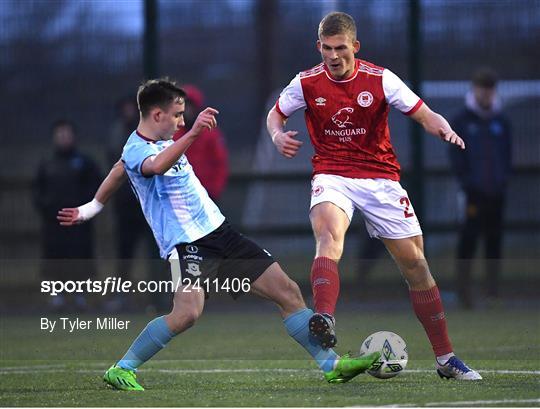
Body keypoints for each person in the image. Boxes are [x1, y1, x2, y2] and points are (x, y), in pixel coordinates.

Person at [57, 78, 379, 390]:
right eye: (178, 115)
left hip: (220, 231)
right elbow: (153, 167)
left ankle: (333, 366)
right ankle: (122, 369)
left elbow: (117, 170)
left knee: (288, 291)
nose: (183, 121)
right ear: (157, 115)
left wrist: (91, 208)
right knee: (186, 314)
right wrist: (194, 133)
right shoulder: (138, 148)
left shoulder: (158, 142)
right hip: (188, 244)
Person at [266, 11, 481, 380]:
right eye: (327, 49)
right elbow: (276, 114)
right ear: (319, 47)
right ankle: (325, 317)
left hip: (380, 179)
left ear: (355, 46)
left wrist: (444, 129)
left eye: (341, 49)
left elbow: (424, 114)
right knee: (327, 235)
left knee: (416, 266)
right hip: (332, 173)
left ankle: (446, 359)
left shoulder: (380, 79)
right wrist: (276, 135)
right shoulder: (306, 83)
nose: (333, 56)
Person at [449, 68, 512, 309]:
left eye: (490, 89)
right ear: (474, 89)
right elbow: (456, 156)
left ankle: (492, 292)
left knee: (494, 241)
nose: (486, 94)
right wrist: (466, 182)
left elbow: (506, 155)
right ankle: (463, 291)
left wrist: (503, 180)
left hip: (496, 193)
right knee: (468, 239)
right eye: (482, 88)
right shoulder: (462, 121)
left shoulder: (501, 122)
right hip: (471, 194)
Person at [33, 119, 101, 311]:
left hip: (79, 223)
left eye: (67, 133)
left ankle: (80, 297)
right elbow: (37, 190)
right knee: (55, 258)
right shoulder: (47, 163)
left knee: (79, 257)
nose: (63, 137)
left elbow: (96, 188)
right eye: (60, 133)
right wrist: (47, 207)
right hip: (53, 223)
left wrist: (84, 210)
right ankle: (57, 297)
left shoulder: (85, 162)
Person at [107, 96, 163, 312]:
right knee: (125, 252)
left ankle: (159, 296)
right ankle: (122, 296)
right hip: (125, 205)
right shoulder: (117, 134)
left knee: (157, 250)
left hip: (149, 202)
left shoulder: (150, 133)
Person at [173, 84, 229, 203]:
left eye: (189, 106)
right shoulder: (173, 133)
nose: (187, 110)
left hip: (206, 193)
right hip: (181, 196)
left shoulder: (210, 133)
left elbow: (220, 163)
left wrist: (214, 190)